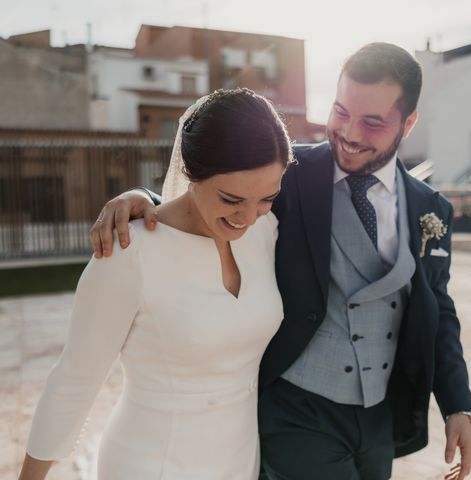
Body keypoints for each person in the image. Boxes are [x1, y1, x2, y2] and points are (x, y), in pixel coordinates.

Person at [90, 43, 471, 480]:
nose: (349, 133)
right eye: (341, 111)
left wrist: (458, 404)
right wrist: (144, 200)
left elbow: (440, 312)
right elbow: (214, 196)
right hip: (297, 408)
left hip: (378, 418)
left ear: (408, 124)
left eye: (372, 122)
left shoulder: (432, 209)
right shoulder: (289, 172)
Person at [19, 88, 294, 480]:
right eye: (232, 199)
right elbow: (75, 380)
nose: (249, 216)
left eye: (268, 197)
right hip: (150, 463)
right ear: (192, 172)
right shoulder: (129, 253)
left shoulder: (265, 231)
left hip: (238, 460)